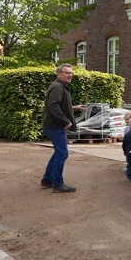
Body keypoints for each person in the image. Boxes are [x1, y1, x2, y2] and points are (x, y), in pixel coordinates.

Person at [40, 63, 85, 193]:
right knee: (62, 153)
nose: (70, 75)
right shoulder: (57, 87)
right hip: (55, 126)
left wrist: (74, 107)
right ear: (59, 74)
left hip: (54, 126)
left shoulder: (60, 87)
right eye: (67, 73)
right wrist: (65, 121)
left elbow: (59, 105)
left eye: (71, 73)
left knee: (58, 152)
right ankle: (57, 184)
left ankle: (47, 180)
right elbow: (53, 106)